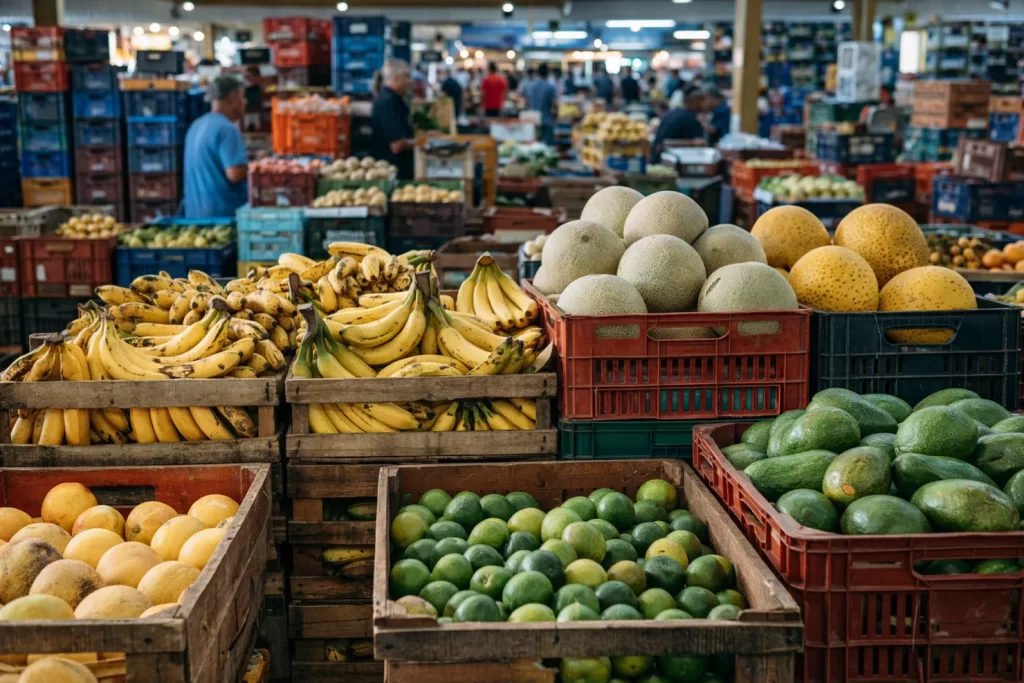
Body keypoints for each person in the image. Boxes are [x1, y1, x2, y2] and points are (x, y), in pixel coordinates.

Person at [182, 76, 248, 219]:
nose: (245, 103)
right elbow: (235, 173)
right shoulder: (227, 129)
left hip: (194, 215)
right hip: (222, 216)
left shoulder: (196, 125)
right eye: (242, 97)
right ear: (232, 96)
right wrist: (258, 167)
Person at [371, 59, 417, 180]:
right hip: (394, 173)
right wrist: (424, 143)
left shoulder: (393, 99)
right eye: (407, 76)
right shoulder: (389, 102)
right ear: (396, 77)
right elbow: (397, 145)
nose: (410, 81)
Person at [651, 87, 707, 162]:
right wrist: (693, 143)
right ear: (694, 100)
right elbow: (663, 143)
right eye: (702, 100)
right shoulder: (688, 118)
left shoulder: (673, 113)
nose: (704, 104)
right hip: (669, 164)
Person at [523, 63, 557, 145]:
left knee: (533, 145)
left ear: (537, 73)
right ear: (548, 73)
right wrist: (556, 117)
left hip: (532, 119)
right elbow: (554, 104)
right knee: (547, 148)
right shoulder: (550, 87)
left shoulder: (529, 85)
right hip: (546, 119)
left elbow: (526, 102)